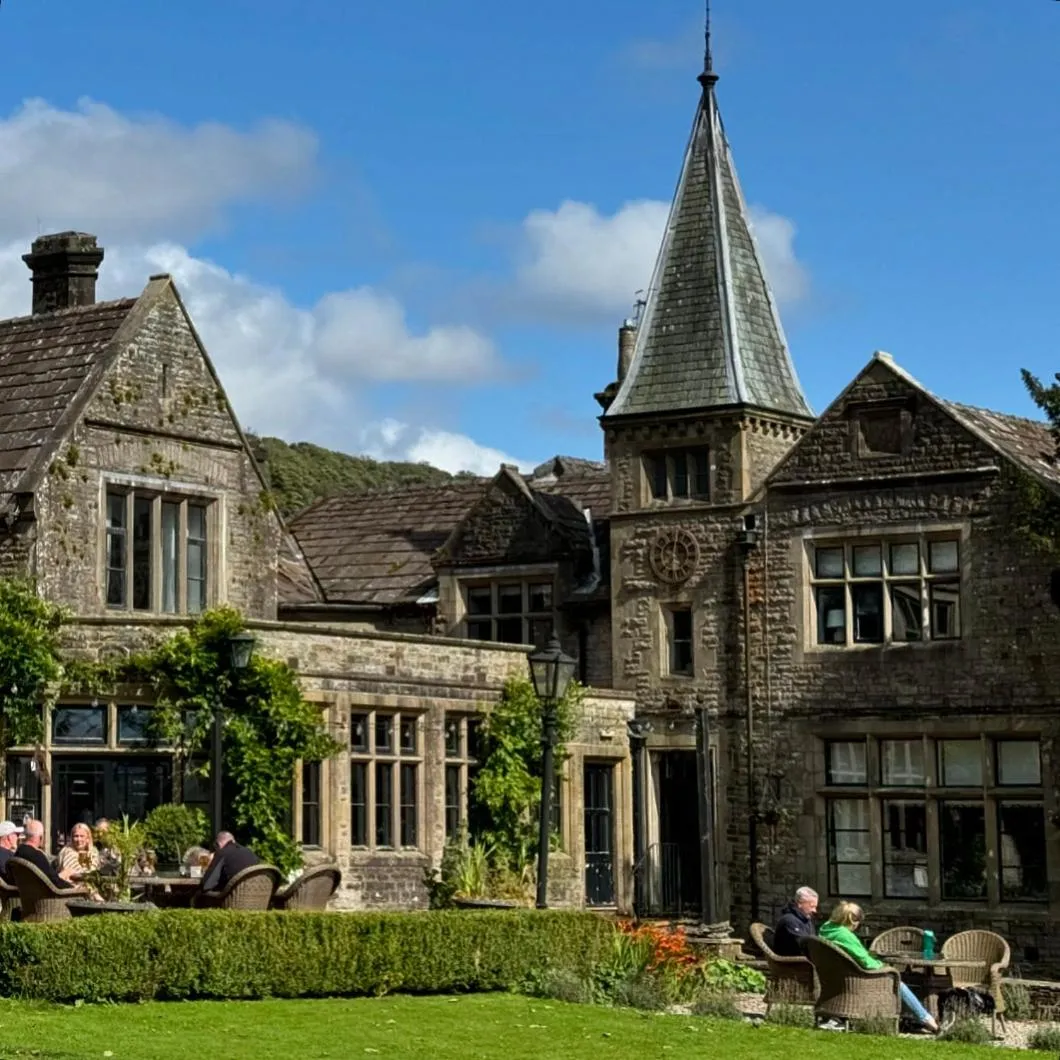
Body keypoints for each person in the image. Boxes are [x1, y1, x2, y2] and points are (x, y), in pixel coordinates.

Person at [819, 900, 938, 1034]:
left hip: (835, 975)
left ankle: (911, 1019)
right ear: (852, 921)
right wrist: (882, 965)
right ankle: (928, 1021)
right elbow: (865, 961)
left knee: (896, 978)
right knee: (897, 981)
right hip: (858, 977)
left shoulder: (826, 929)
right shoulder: (844, 935)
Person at [14, 820, 76, 891]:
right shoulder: (36, 855)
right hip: (47, 897)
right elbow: (54, 881)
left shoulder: (19, 851)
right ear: (41, 837)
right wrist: (72, 887)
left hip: (27, 895)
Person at [57, 822, 102, 895]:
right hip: (72, 889)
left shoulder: (93, 852)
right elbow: (69, 874)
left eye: (82, 836)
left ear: (88, 838)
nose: (78, 839)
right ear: (72, 838)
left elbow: (93, 871)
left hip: (93, 886)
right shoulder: (67, 851)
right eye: (76, 836)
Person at [773, 885, 818, 956]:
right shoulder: (789, 921)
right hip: (791, 963)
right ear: (800, 903)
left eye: (815, 907)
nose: (814, 910)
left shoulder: (805, 919)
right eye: (812, 906)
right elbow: (804, 946)